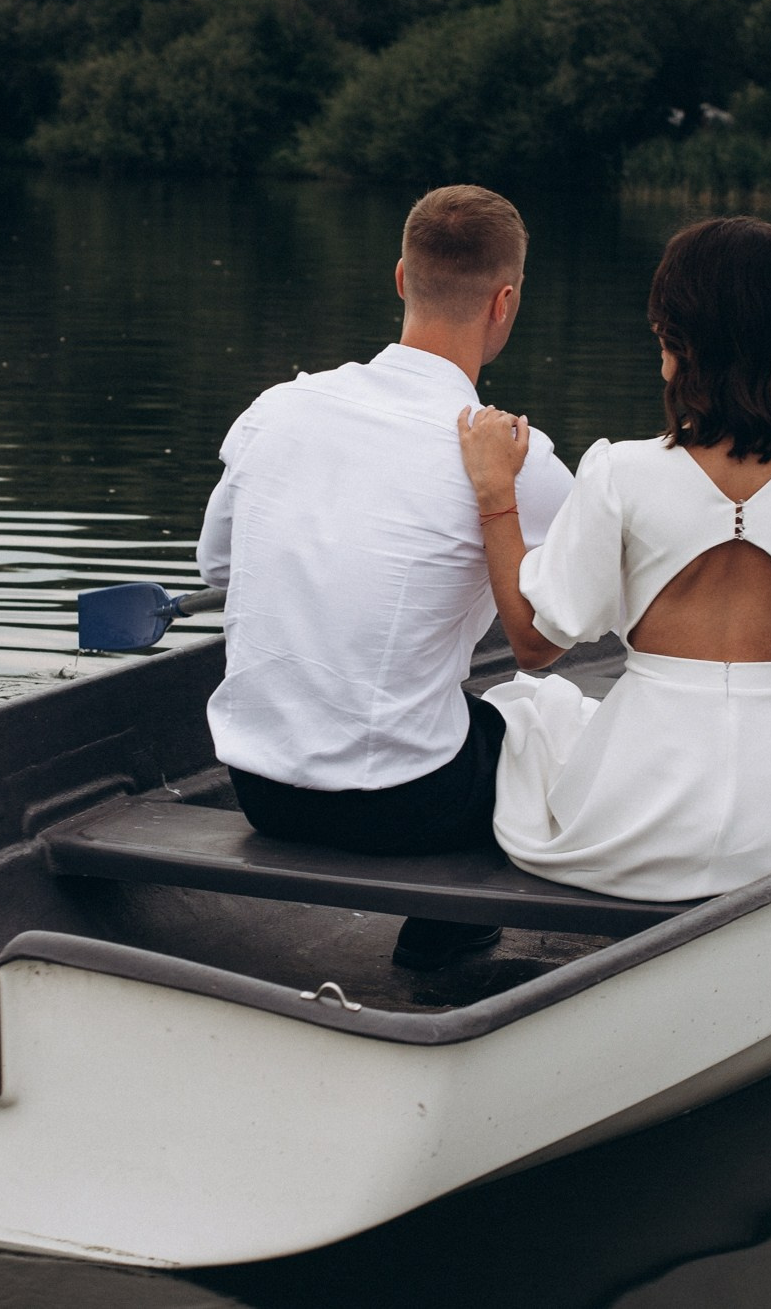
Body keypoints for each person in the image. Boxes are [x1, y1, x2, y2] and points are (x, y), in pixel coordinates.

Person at [455, 215, 771, 902]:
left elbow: (531, 641)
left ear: (680, 340)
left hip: (630, 827)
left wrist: (495, 495)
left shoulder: (621, 472)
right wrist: (758, 729)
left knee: (530, 710)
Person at [196, 185, 573, 968]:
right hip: (409, 805)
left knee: (469, 707)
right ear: (505, 303)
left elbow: (219, 568)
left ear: (401, 277)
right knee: (549, 712)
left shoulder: (273, 410)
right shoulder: (518, 456)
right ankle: (448, 941)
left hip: (260, 791)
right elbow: (564, 631)